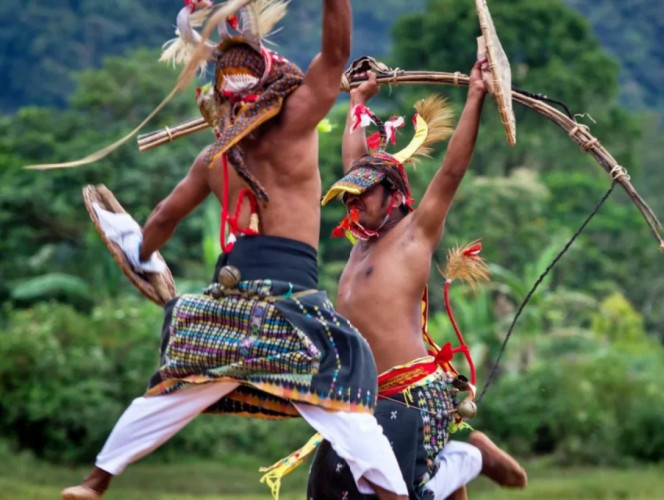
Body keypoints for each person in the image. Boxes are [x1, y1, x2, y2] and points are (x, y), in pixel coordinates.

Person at [61, 1, 408, 499]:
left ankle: (95, 483)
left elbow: (161, 220)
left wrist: (141, 259)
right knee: (344, 398)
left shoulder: (213, 157)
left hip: (228, 302)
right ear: (275, 83)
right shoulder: (296, 125)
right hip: (292, 304)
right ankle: (395, 496)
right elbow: (335, 54)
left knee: (172, 387)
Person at [307, 63, 527, 499]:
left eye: (366, 192)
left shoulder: (413, 235)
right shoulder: (360, 237)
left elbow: (450, 172)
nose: (355, 201)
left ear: (394, 196)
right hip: (360, 399)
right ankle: (463, 464)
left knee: (405, 495)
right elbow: (355, 164)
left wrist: (476, 95)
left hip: (410, 397)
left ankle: (471, 457)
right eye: (351, 193)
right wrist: (357, 100)